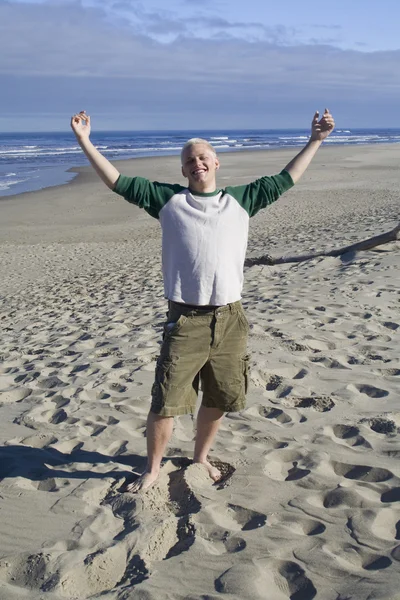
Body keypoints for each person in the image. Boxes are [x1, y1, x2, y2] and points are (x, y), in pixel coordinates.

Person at [70, 109, 335, 492]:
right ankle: (154, 469)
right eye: (189, 160)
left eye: (202, 157)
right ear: (184, 171)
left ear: (216, 162)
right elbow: (117, 181)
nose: (197, 163)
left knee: (220, 395)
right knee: (166, 400)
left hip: (231, 318)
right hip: (186, 319)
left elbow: (286, 178)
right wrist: (85, 141)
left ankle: (200, 457)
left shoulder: (242, 200)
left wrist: (316, 140)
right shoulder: (167, 200)